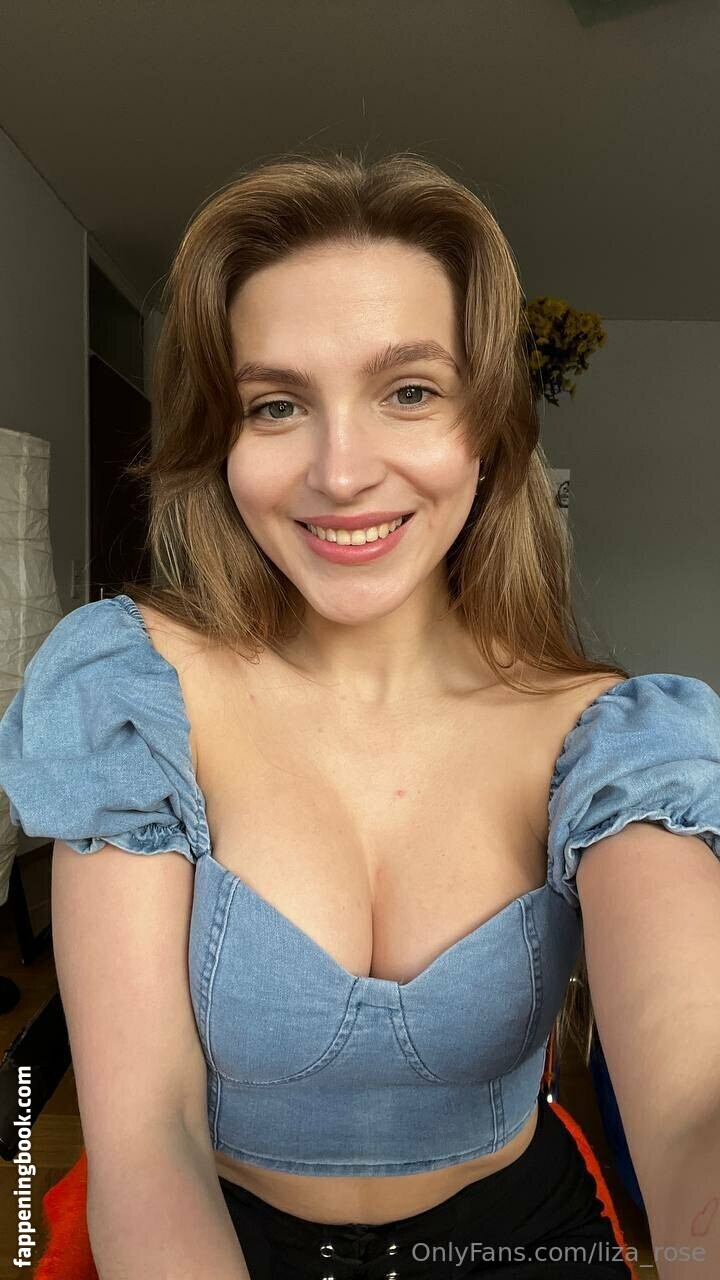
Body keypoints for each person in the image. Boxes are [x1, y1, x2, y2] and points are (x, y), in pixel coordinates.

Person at [1, 150, 718, 1280]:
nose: (340, 473)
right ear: (223, 441)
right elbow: (147, 1140)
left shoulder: (610, 741)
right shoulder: (132, 699)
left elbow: (694, 1112)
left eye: (410, 391)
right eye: (277, 404)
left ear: (487, 426)